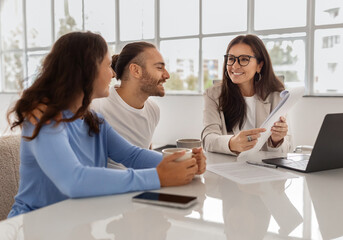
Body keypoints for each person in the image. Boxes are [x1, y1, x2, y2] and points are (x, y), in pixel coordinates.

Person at [7, 31, 206, 218]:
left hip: (77, 221)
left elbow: (132, 155)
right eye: (107, 65)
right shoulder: (43, 120)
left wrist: (184, 163)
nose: (113, 73)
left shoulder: (93, 120)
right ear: (87, 70)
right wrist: (159, 176)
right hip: (34, 225)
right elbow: (74, 180)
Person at [201, 34, 291, 155]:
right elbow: (207, 140)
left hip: (265, 169)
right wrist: (232, 143)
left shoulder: (277, 95)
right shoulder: (213, 94)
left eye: (244, 59)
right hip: (228, 167)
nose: (235, 66)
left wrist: (277, 140)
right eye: (231, 58)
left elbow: (288, 148)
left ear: (259, 65)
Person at [91, 42, 168, 150]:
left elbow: (144, 154)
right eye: (159, 68)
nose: (167, 75)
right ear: (136, 71)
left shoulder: (153, 110)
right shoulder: (97, 107)